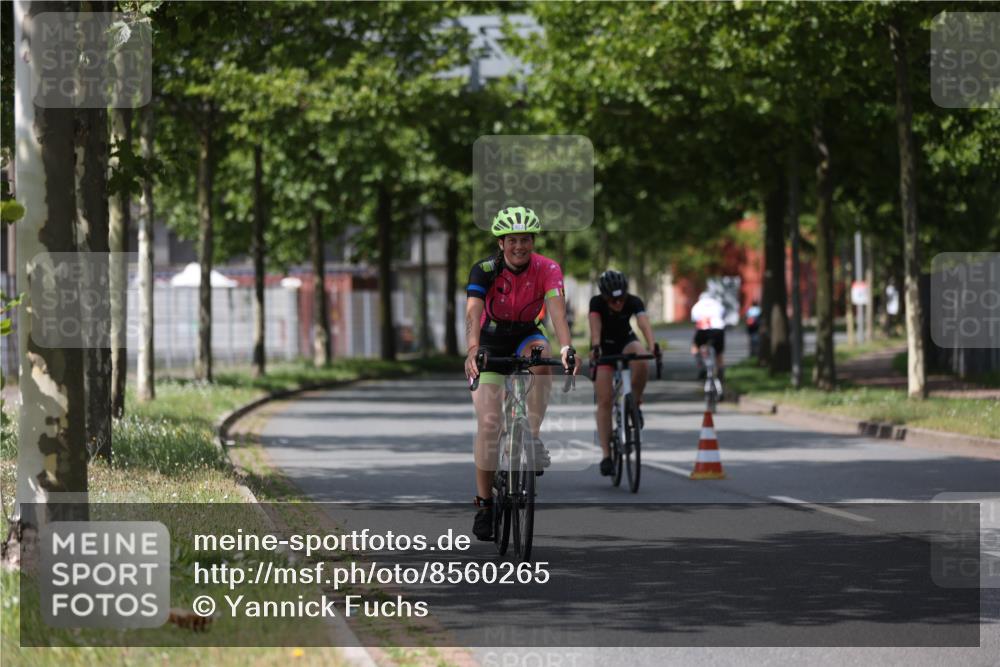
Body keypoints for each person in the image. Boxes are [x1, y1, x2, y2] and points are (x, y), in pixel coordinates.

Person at [464, 206, 580, 541]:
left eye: (525, 239)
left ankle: (532, 435)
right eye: (512, 240)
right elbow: (472, 312)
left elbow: (557, 312)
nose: (519, 246)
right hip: (489, 340)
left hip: (527, 334)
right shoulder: (484, 269)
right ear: (501, 243)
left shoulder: (548, 268)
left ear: (533, 241)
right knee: (489, 424)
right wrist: (473, 349)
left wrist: (567, 347)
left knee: (543, 358)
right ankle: (485, 504)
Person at [589, 270, 659, 476]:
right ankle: (606, 455)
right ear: (604, 297)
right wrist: (595, 345)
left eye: (621, 298)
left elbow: (643, 322)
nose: (618, 303)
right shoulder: (596, 303)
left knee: (642, 357)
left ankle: (634, 403)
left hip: (626, 341)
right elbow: (595, 326)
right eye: (613, 300)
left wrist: (653, 345)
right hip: (604, 347)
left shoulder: (634, 301)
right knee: (604, 400)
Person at [690, 290, 726, 383]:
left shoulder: (697, 306)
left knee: (695, 347)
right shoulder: (717, 304)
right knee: (719, 353)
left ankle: (701, 366)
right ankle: (721, 373)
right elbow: (723, 316)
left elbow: (695, 320)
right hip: (718, 330)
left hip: (703, 330)